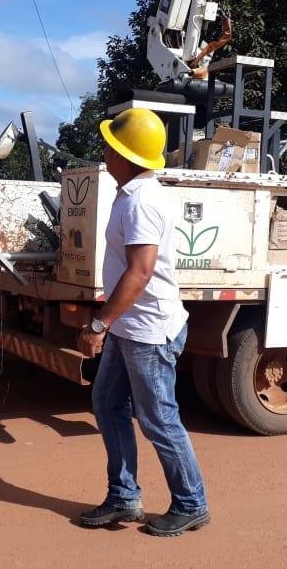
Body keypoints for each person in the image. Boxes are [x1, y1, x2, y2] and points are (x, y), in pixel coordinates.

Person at [76, 108, 209, 537]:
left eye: (112, 146)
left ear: (128, 155)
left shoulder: (141, 203)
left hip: (148, 332)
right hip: (130, 327)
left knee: (158, 420)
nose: (105, 151)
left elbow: (140, 271)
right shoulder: (130, 192)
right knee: (108, 404)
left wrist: (99, 325)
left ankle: (191, 503)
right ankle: (124, 497)